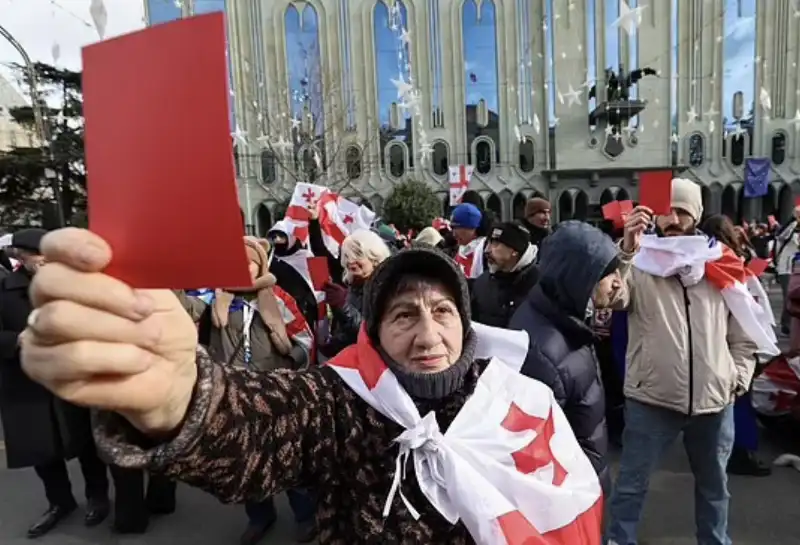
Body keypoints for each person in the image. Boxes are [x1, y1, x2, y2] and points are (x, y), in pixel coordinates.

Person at [20, 229, 604, 544]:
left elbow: (565, 502)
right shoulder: (338, 400)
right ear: (375, 330)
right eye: (403, 316)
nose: (427, 334)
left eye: (442, 312)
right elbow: (260, 427)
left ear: (465, 322)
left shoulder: (516, 401)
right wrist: (182, 398)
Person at [605, 178, 760, 545]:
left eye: (683, 211)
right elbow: (610, 298)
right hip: (652, 400)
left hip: (713, 401)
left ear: (697, 215)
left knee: (714, 489)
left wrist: (736, 376)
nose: (672, 218)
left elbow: (743, 329)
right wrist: (626, 251)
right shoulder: (639, 261)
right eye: (667, 210)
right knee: (630, 488)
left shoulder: (721, 261)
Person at [175, 236, 316, 544]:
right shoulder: (215, 297)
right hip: (234, 394)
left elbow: (303, 336)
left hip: (277, 392)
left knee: (289, 456)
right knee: (248, 458)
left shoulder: (276, 296)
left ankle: (306, 515)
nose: (243, 267)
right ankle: (260, 517)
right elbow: (183, 312)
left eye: (249, 261)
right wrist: (170, 280)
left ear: (260, 263)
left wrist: (293, 360)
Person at [0, 228, 110, 538]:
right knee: (42, 448)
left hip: (71, 376)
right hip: (27, 383)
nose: (47, 261)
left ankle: (97, 497)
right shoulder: (5, 289)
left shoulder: (72, 286)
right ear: (21, 257)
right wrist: (17, 340)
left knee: (85, 440)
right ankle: (60, 502)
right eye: (39, 256)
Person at [509, 221, 619, 493]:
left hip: (585, 485)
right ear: (580, 277)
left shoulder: (568, 320)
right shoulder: (542, 353)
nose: (618, 282)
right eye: (608, 274)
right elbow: (536, 459)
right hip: (572, 498)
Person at [701, 214, 771, 477]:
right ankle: (740, 452)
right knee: (738, 400)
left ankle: (726, 451)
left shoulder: (699, 264)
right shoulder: (728, 265)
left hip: (716, 345)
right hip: (733, 344)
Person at [321, 229, 391, 356]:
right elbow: (347, 332)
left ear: (374, 257)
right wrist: (330, 345)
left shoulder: (386, 287)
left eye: (358, 254)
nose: (351, 260)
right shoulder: (353, 285)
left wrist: (344, 306)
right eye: (347, 255)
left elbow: (373, 334)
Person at [471, 222, 539, 327]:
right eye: (488, 243)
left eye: (495, 244)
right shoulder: (481, 283)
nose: (487, 250)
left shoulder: (540, 284)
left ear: (514, 250)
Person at [775, 206, 800, 335]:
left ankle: (790, 324)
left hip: (798, 267)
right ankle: (787, 324)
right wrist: (794, 221)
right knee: (789, 295)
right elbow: (780, 235)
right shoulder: (791, 228)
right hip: (787, 267)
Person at [450, 203, 487, 279]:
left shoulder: (484, 252)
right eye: (452, 228)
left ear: (472, 228)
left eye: (457, 228)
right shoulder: (461, 249)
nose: (454, 234)